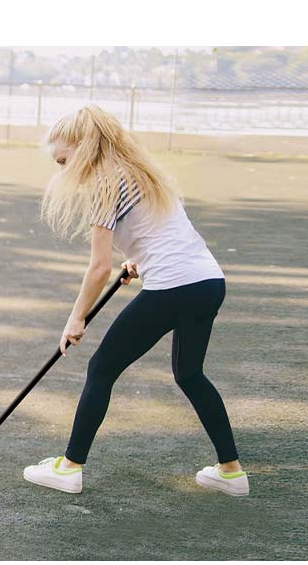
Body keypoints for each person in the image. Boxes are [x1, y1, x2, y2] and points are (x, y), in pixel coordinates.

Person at [23, 104, 247, 496]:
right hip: (208, 283)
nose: (63, 170)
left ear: (84, 148)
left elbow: (98, 268)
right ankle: (231, 472)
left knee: (101, 368)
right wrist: (138, 261)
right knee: (190, 374)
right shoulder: (143, 172)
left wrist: (76, 318)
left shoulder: (105, 185)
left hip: (173, 287)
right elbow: (160, 233)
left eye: (63, 160)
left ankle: (70, 468)